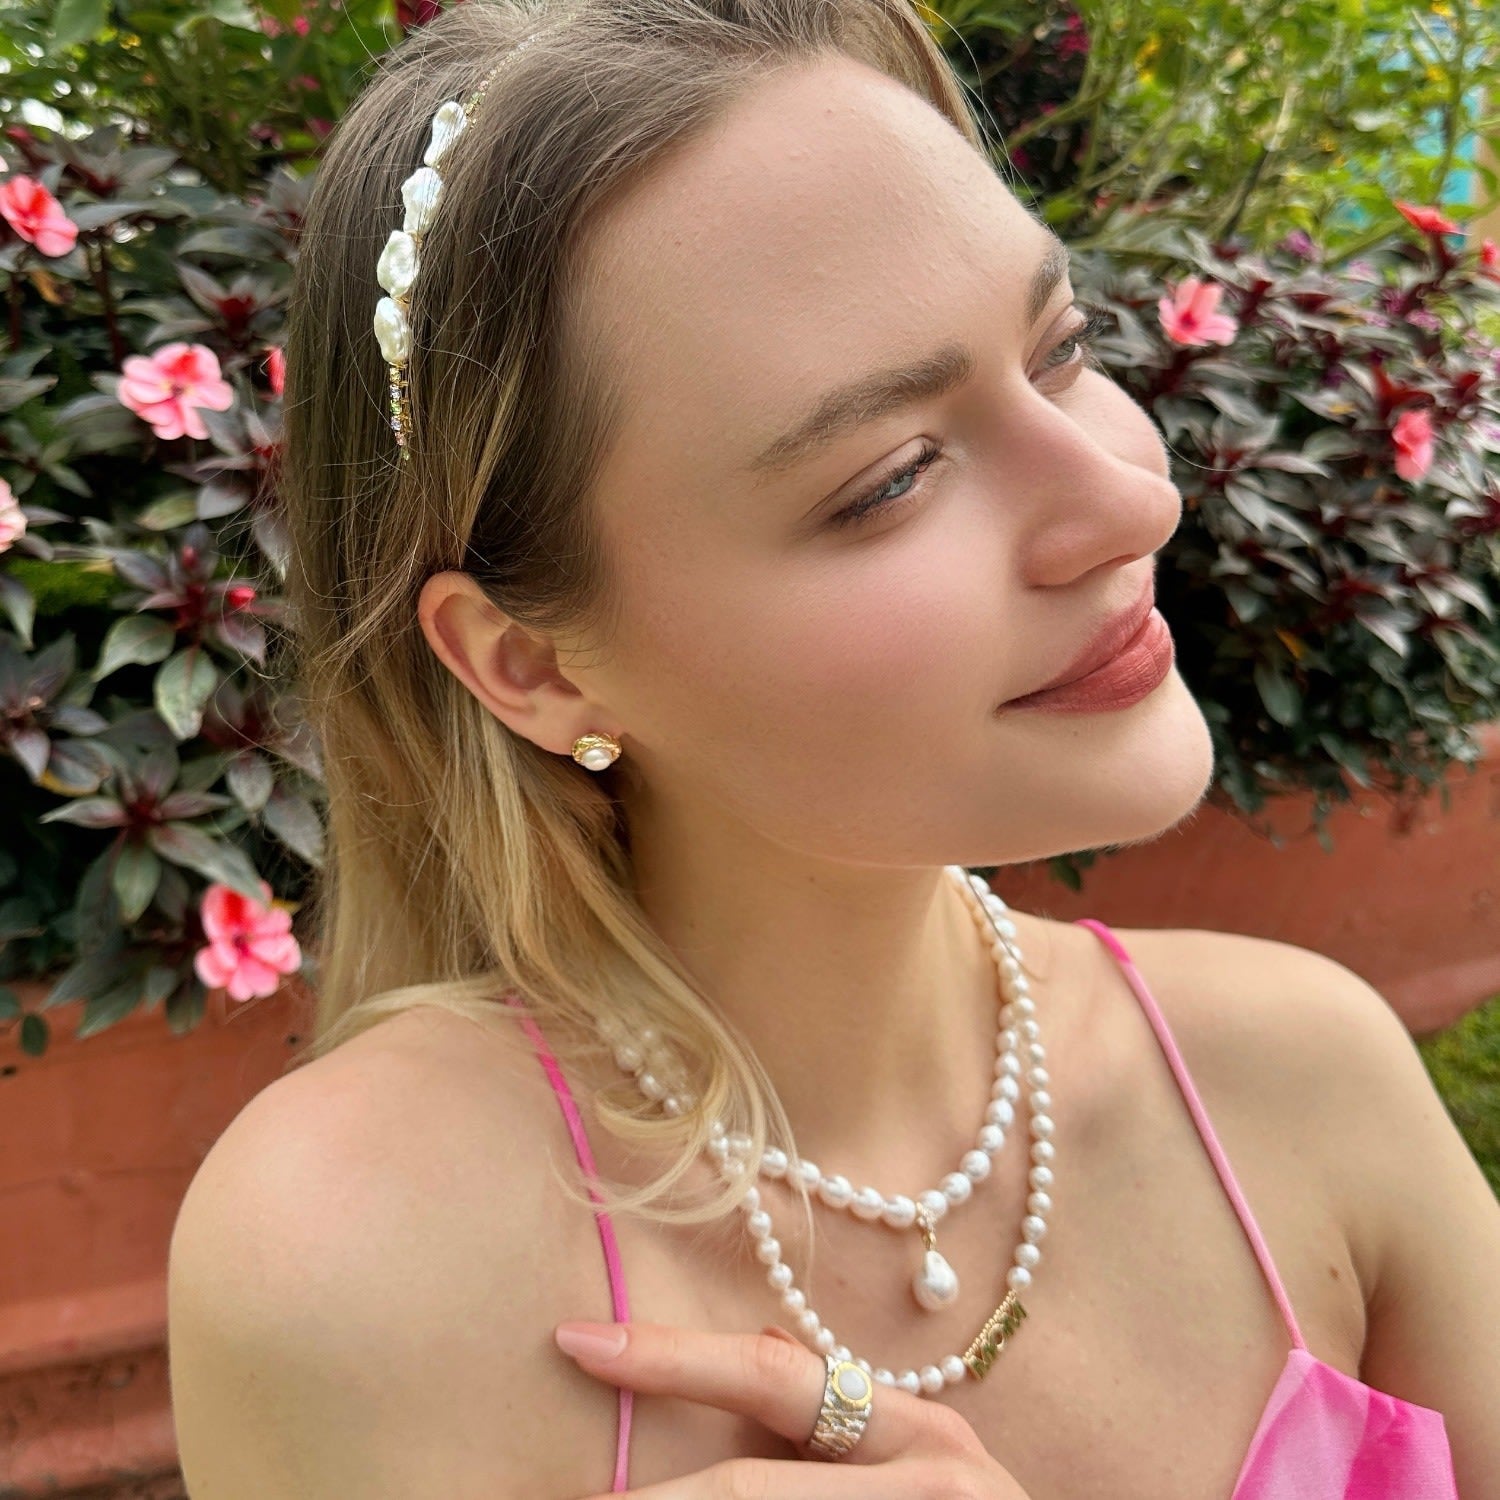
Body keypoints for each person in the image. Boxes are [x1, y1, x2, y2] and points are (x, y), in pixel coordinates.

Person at [164, 0, 1500, 1495]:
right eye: (890, 479)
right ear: (529, 665)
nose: (1133, 503)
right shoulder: (364, 1263)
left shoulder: (1305, 1078)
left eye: (1062, 349)